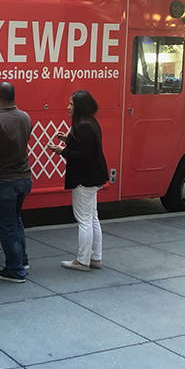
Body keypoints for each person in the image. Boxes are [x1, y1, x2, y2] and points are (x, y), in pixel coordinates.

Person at [48, 90, 108, 271]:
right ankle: (95, 257)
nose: (68, 107)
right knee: (93, 217)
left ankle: (82, 260)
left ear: (80, 107)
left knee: (84, 220)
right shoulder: (90, 123)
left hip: (84, 179)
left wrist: (62, 150)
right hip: (93, 177)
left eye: (71, 104)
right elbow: (87, 148)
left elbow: (85, 156)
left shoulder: (83, 126)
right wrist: (68, 139)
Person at [0, 82, 32, 283]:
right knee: (16, 221)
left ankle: (15, 269)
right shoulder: (25, 117)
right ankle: (22, 260)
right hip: (23, 178)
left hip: (1, 181)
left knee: (7, 226)